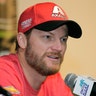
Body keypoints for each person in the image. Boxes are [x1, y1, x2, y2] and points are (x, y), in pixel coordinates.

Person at [0, 2, 82, 96]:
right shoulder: (3, 72)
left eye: (63, 39)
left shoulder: (53, 80)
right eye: (47, 37)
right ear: (22, 41)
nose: (59, 47)